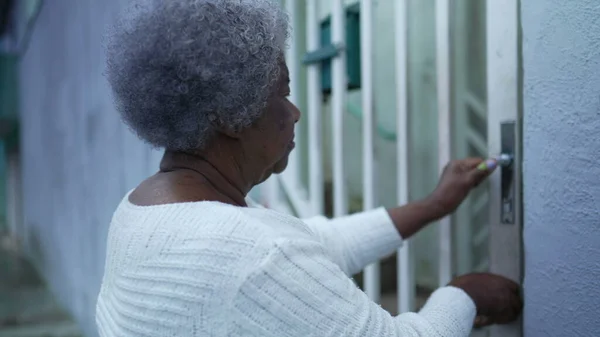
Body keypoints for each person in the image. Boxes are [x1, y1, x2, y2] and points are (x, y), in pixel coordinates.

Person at [96, 0, 522, 336]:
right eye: (282, 93)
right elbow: (275, 258)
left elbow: (315, 243)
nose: (295, 112)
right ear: (229, 116)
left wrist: (434, 204)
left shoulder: (139, 211)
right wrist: (464, 294)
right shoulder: (255, 256)